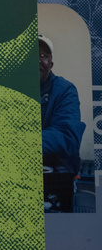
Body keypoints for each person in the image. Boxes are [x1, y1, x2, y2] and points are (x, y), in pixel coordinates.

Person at [39, 35, 86, 212]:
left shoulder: (66, 90)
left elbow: (67, 136)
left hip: (55, 179)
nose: (37, 59)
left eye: (43, 55)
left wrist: (19, 141)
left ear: (50, 64)